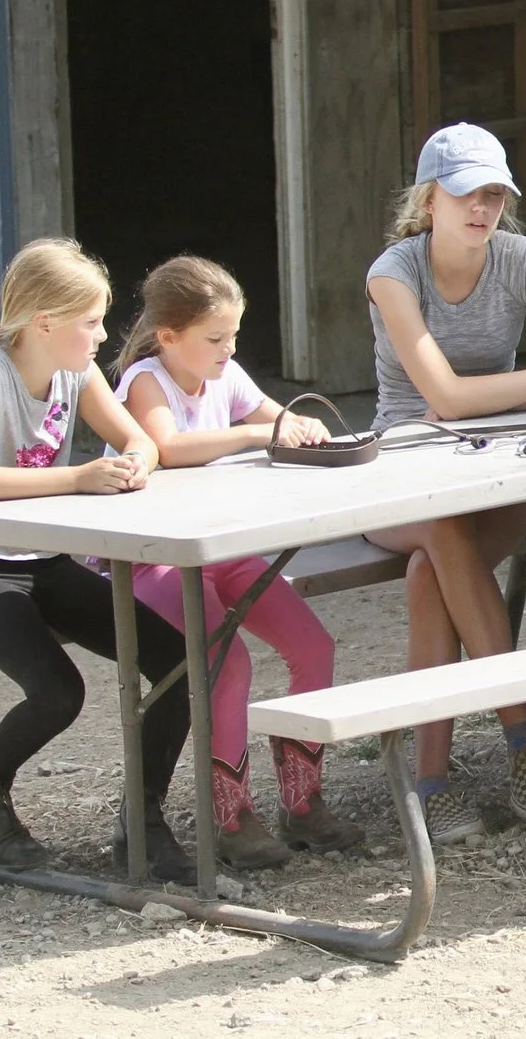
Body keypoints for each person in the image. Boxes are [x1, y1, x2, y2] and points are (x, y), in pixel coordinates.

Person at [365, 123, 526, 841]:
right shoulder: (393, 271)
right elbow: (444, 398)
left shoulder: (522, 256)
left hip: (497, 466)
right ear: (429, 199)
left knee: (428, 574)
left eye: (495, 195)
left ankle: (432, 780)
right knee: (439, 530)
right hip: (404, 465)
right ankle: (521, 728)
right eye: (466, 193)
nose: (482, 209)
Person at [0, 239, 196, 882]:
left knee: (179, 661)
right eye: (91, 322)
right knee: (57, 691)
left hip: (45, 561)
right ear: (44, 323)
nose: (103, 335)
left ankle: (143, 821)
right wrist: (78, 478)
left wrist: (139, 459)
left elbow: (138, 437)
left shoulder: (77, 372)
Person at [112, 256, 364, 867]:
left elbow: (270, 413)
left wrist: (294, 421)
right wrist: (261, 432)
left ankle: (302, 802)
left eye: (234, 337)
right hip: (155, 561)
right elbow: (167, 447)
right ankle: (232, 816)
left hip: (223, 551)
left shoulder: (223, 371)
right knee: (227, 661)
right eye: (216, 339)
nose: (228, 350)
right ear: (169, 337)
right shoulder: (147, 379)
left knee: (314, 647)